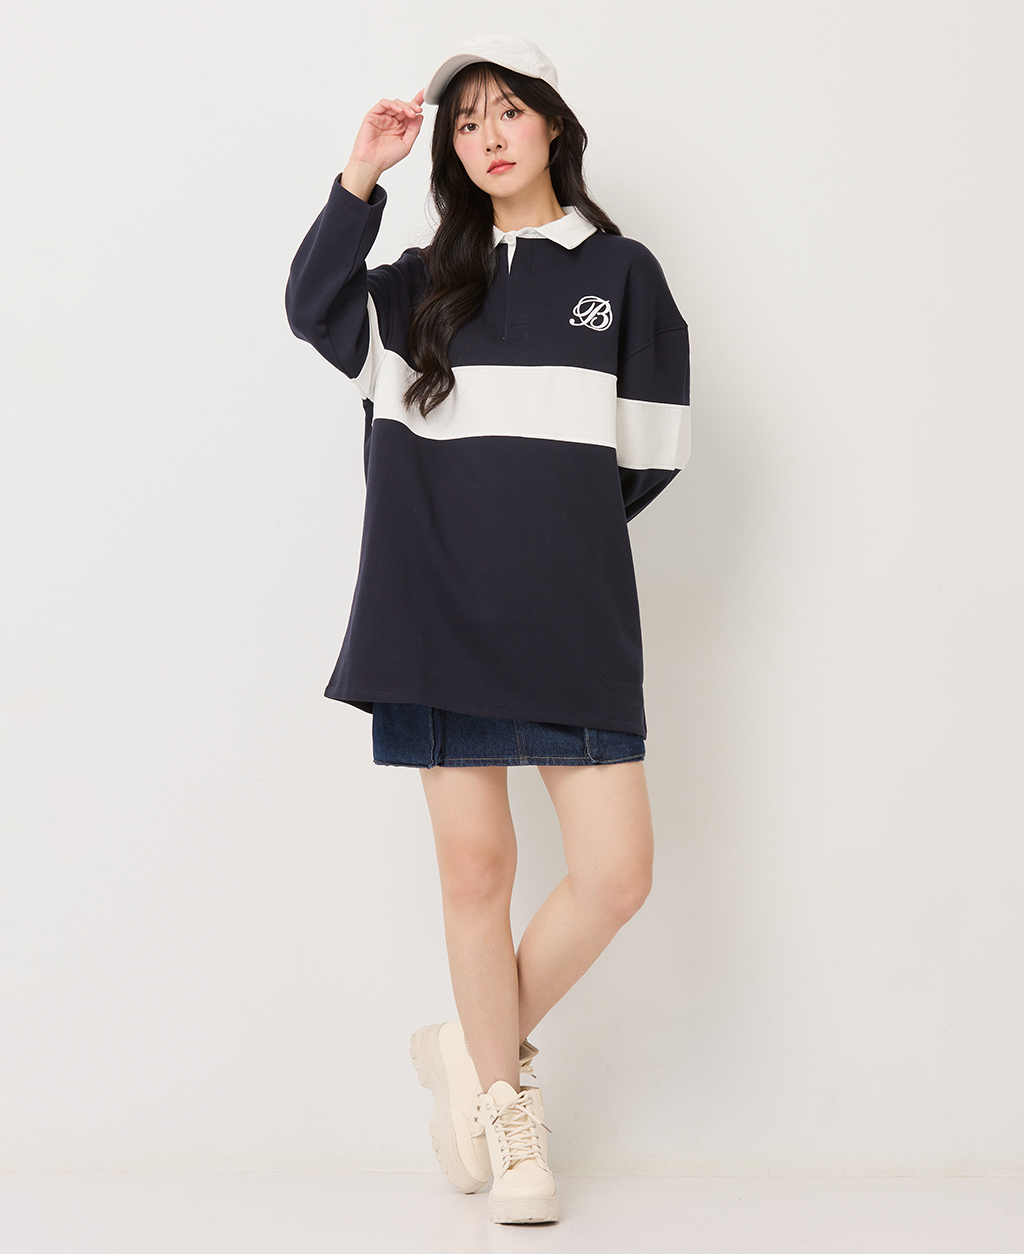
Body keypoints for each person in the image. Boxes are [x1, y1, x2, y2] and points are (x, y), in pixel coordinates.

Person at [284, 32, 690, 1226]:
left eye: (508, 110)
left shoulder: (622, 274)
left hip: (570, 619)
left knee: (615, 876)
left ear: (552, 123)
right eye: (465, 123)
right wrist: (359, 175)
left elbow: (646, 458)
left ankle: (468, 1050)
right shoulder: (414, 287)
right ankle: (511, 1119)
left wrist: (541, 536)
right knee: (477, 874)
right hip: (432, 613)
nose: (487, 135)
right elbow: (310, 306)